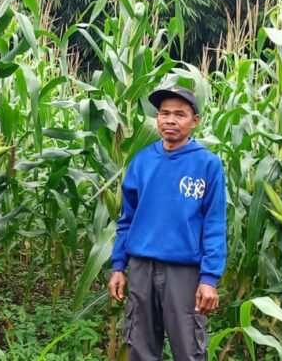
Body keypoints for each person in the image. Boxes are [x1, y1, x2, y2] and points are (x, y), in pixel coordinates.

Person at [108, 85, 226, 361]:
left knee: (189, 350)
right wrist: (118, 266)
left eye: (179, 114)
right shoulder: (142, 161)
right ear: (157, 117)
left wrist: (209, 278)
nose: (170, 120)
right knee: (140, 348)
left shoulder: (207, 165)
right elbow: (127, 220)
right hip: (141, 269)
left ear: (194, 121)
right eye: (164, 113)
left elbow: (214, 225)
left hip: (183, 273)